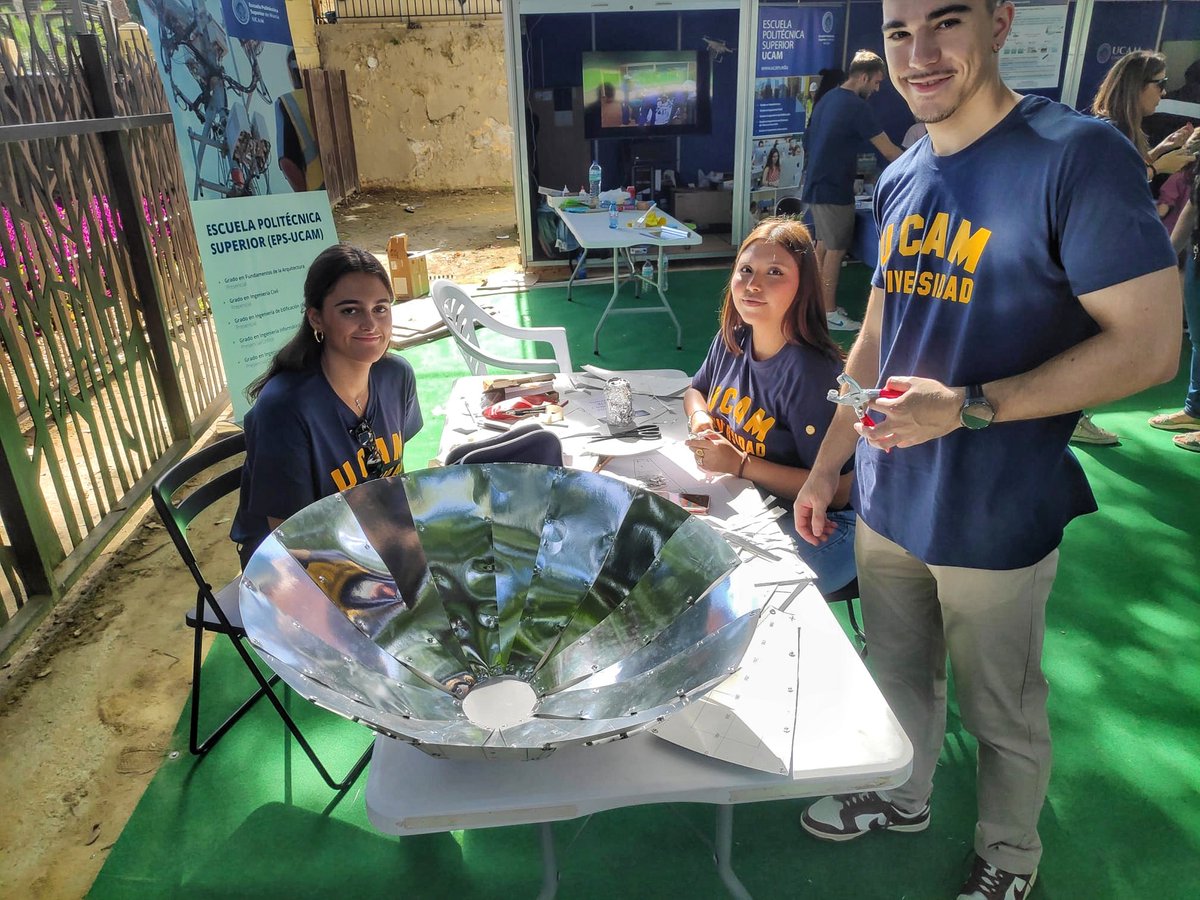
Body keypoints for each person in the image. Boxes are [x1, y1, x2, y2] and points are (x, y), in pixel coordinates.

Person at [792, 3, 1180, 898]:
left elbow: (1152, 346)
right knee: (895, 672)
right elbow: (876, 336)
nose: (919, 54)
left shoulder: (1075, 155)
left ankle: (1009, 855)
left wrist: (968, 408)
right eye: (898, 32)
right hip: (889, 496)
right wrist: (828, 464)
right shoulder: (905, 174)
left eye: (947, 21)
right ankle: (902, 793)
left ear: (1001, 22)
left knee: (1001, 710)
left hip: (996, 509)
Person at [683, 217, 856, 594]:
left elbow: (841, 490)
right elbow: (695, 390)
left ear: (803, 287)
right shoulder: (734, 337)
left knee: (730, 594)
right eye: (746, 270)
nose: (753, 284)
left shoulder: (812, 373)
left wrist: (741, 464)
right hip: (750, 501)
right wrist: (701, 423)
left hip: (823, 524)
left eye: (774, 272)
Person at [231, 244, 423, 569]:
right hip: (294, 563)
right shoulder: (285, 409)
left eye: (380, 308)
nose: (370, 324)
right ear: (317, 318)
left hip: (369, 539)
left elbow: (390, 488)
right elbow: (291, 538)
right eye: (350, 310)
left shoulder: (396, 376)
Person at [801, 51, 904, 332]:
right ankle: (829, 312)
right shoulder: (856, 107)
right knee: (835, 250)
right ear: (863, 77)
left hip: (816, 185)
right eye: (877, 82)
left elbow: (807, 140)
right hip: (833, 189)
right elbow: (890, 151)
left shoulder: (828, 99)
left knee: (823, 245)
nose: (877, 88)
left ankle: (817, 307)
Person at [1149, 164, 1200, 450]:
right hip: (1197, 252)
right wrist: (1167, 258)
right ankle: (1195, 411)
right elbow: (1194, 204)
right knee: (1198, 336)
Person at [1091, 50, 1194, 182]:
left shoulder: (1118, 125)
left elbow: (1128, 166)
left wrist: (1161, 149)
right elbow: (1117, 183)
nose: (1164, 92)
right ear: (1136, 86)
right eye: (1160, 84)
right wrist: (1158, 168)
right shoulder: (1114, 132)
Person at [275, 50, 324, 193]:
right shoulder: (332, 91)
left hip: (320, 188)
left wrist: (307, 200)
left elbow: (287, 162)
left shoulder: (288, 102)